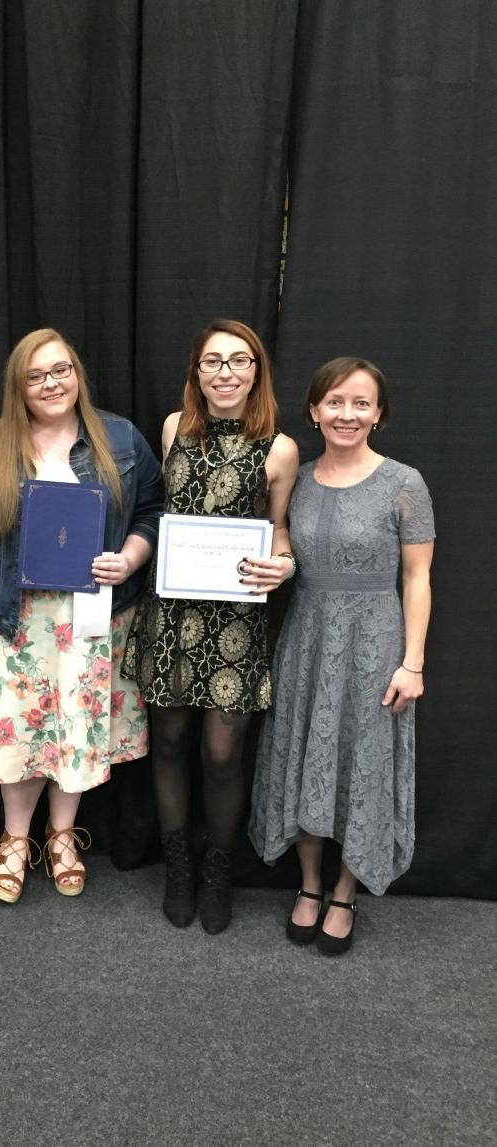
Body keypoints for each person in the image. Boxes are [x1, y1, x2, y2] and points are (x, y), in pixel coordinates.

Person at [0, 328, 164, 903]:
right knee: (22, 731)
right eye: (36, 375)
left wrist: (130, 557)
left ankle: (62, 837)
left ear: (77, 374)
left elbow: (152, 509)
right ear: (18, 386)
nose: (52, 383)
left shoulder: (120, 437)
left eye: (61, 370)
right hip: (19, 617)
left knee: (76, 729)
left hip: (94, 617)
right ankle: (14, 840)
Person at [249, 357, 435, 954]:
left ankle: (345, 890)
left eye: (361, 403)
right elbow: (281, 546)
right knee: (305, 754)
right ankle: (308, 885)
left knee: (360, 761)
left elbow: (418, 577)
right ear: (313, 410)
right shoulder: (296, 477)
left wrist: (413, 663)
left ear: (378, 414)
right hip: (306, 636)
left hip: (376, 645)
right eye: (335, 402)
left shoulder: (404, 483)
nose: (347, 414)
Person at [123, 319, 299, 933]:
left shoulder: (279, 446)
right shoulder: (175, 429)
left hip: (236, 618)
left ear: (257, 371)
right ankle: (179, 867)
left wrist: (284, 563)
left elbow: (279, 530)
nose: (225, 372)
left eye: (238, 361)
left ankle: (219, 871)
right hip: (171, 612)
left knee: (222, 754)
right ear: (196, 372)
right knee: (169, 742)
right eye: (212, 362)